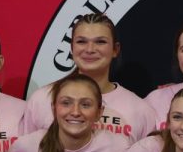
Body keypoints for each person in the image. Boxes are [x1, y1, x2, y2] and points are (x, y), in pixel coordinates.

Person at [25, 13, 156, 142]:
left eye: (100, 42)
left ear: (115, 49)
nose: (90, 49)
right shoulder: (42, 99)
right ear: (72, 48)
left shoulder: (140, 110)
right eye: (81, 41)